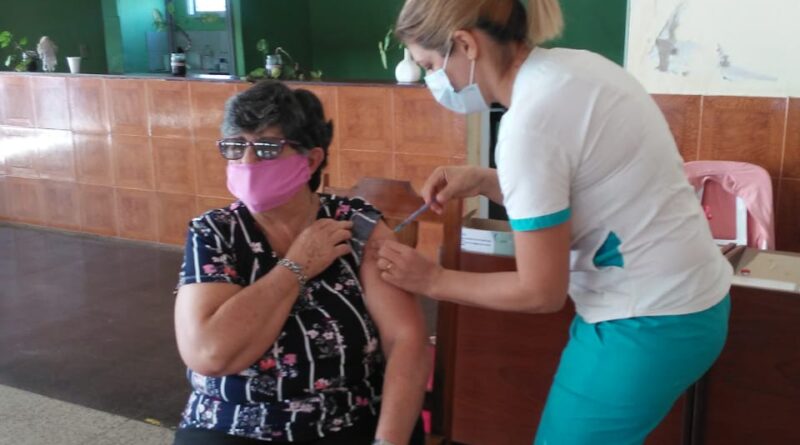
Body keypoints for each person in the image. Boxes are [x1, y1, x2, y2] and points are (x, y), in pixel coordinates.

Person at [376, 1, 733, 444]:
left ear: (466, 44)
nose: (434, 82)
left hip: (648, 318)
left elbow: (540, 292)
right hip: (690, 301)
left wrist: (433, 280)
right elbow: (584, 189)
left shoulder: (529, 123)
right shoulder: (576, 69)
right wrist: (487, 181)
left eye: (430, 66)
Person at [173, 81, 428, 445]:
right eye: (235, 146)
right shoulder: (215, 232)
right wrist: (296, 266)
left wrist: (389, 442)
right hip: (232, 423)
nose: (247, 162)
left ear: (311, 160)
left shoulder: (355, 224)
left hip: (348, 419)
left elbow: (405, 339)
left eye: (267, 148)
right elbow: (208, 353)